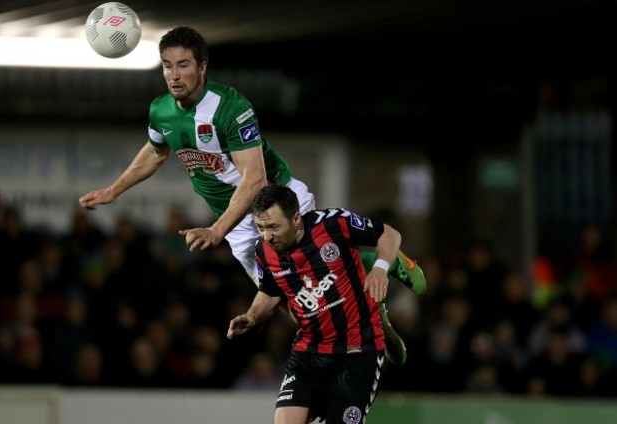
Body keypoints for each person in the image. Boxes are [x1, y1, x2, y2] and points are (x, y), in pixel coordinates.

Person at [78, 25, 425, 364]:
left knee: (317, 271)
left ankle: (385, 268)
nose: (174, 74)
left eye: (183, 65)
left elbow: (255, 179)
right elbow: (156, 152)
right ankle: (375, 316)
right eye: (167, 65)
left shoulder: (230, 106)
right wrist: (114, 189)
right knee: (296, 302)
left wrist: (217, 230)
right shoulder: (160, 110)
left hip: (277, 203)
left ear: (202, 67)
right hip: (239, 225)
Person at [227, 184, 400, 424]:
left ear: (296, 218)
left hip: (359, 350)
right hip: (309, 350)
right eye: (261, 227)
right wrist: (253, 315)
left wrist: (380, 269)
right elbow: (269, 292)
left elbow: (389, 234)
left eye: (274, 226)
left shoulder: (333, 223)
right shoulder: (264, 251)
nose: (267, 235)